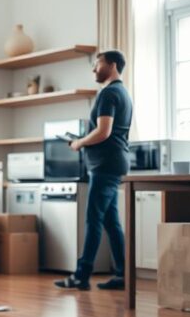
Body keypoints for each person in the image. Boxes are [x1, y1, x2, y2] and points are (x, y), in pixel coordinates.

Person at [55, 50, 133, 291]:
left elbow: (103, 131)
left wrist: (79, 143)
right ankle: (123, 275)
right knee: (111, 222)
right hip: (113, 163)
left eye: (97, 64)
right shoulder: (123, 93)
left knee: (94, 220)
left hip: (105, 166)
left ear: (111, 65)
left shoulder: (109, 93)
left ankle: (82, 275)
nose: (93, 69)